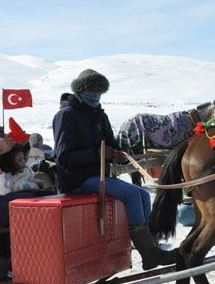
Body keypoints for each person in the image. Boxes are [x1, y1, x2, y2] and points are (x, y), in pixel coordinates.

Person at [52, 69, 175, 270]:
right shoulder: (66, 116)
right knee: (133, 196)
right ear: (81, 90)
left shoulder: (100, 116)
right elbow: (64, 157)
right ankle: (150, 253)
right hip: (77, 180)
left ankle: (152, 247)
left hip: (98, 176)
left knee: (143, 194)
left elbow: (112, 146)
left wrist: (118, 153)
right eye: (93, 89)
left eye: (100, 90)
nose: (96, 95)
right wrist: (100, 153)